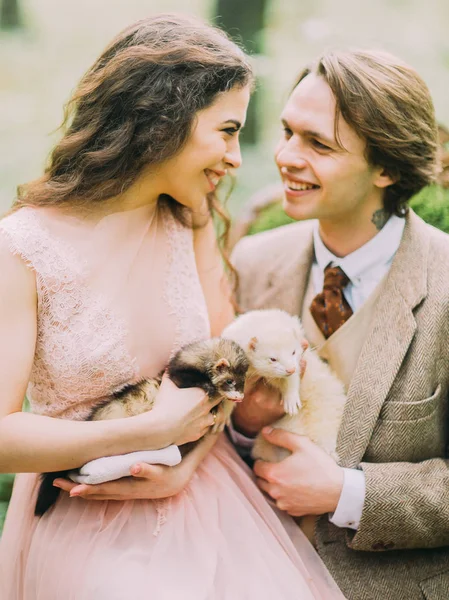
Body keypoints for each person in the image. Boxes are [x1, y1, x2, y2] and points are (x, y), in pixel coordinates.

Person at [0, 14, 345, 600]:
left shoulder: (191, 218)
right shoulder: (22, 248)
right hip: (87, 509)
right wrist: (152, 429)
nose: (237, 158)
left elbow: (226, 374)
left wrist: (184, 464)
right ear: (163, 121)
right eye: (227, 130)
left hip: (209, 493)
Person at [230, 48, 449, 600]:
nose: (286, 156)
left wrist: (348, 494)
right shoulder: (253, 262)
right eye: (287, 132)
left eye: (318, 144)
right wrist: (244, 427)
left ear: (388, 168)